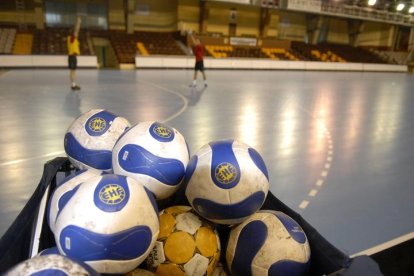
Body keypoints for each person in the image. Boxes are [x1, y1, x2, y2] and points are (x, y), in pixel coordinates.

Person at [67, 16, 82, 90]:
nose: (76, 34)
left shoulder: (72, 39)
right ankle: (73, 85)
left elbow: (76, 31)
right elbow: (76, 30)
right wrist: (78, 22)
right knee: (73, 71)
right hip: (72, 57)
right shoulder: (71, 38)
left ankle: (73, 84)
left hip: (72, 56)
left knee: (73, 71)